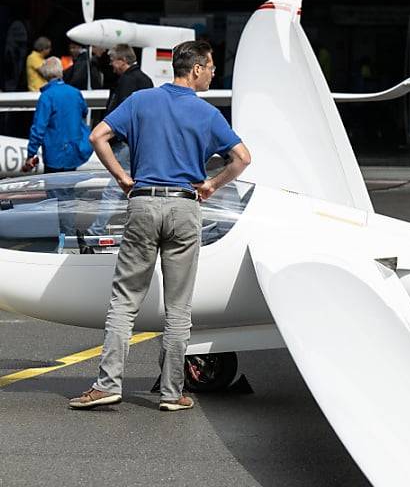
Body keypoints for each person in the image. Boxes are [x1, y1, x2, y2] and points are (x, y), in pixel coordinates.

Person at [69, 40, 251, 411]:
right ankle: (172, 392)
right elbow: (242, 158)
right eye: (212, 66)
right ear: (196, 69)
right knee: (178, 307)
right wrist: (211, 186)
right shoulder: (208, 114)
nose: (214, 72)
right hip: (185, 206)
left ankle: (107, 384)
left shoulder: (141, 101)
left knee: (124, 301)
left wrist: (121, 176)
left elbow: (97, 136)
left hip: (144, 201)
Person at [83, 44, 153, 239]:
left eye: (113, 61)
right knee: (137, 186)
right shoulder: (145, 79)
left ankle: (96, 231)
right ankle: (139, 227)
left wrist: (112, 138)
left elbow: (120, 114)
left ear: (122, 61)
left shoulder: (127, 81)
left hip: (126, 143)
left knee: (113, 189)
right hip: (140, 143)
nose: (112, 66)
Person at [23, 57, 92, 240]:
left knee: (56, 197)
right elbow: (84, 112)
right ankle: (67, 234)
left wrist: (31, 154)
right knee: (68, 193)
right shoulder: (75, 92)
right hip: (73, 152)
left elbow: (38, 127)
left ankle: (63, 236)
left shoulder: (47, 96)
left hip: (55, 153)